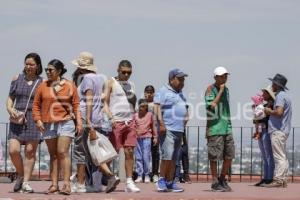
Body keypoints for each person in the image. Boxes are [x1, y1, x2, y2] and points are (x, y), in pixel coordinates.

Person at [71, 52, 119, 193]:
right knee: (93, 151)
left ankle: (81, 184)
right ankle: (107, 177)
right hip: (96, 118)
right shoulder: (99, 78)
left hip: (87, 117)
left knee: (80, 151)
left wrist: (87, 120)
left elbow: (89, 99)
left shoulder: (86, 79)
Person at [32, 59, 83, 195]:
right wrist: (38, 120)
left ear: (59, 71)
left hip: (65, 122)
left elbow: (76, 105)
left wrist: (79, 122)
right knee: (53, 155)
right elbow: (36, 105)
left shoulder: (69, 85)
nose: (47, 72)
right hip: (48, 123)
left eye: (51, 70)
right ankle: (54, 184)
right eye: (46, 70)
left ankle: (66, 184)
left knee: (62, 152)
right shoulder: (43, 86)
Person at [6, 53, 43, 193]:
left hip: (34, 118)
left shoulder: (42, 82)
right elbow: (10, 98)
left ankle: (26, 182)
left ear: (37, 66)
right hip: (18, 117)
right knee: (13, 150)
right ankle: (21, 175)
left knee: (30, 151)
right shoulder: (17, 78)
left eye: (31, 64)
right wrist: (10, 109)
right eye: (26, 63)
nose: (28, 66)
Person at [103, 60, 140, 192]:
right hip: (116, 122)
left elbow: (133, 106)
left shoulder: (131, 85)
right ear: (118, 70)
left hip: (129, 121)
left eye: (129, 72)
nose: (126, 75)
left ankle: (129, 181)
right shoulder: (111, 82)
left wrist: (135, 122)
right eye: (123, 72)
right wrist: (110, 118)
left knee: (130, 152)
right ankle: (101, 177)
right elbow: (105, 103)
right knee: (111, 153)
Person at [154, 68, 188, 193]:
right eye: (180, 79)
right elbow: (157, 107)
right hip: (168, 128)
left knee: (174, 158)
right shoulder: (163, 91)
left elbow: (184, 106)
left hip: (179, 129)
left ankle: (170, 181)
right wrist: (161, 124)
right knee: (167, 156)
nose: (182, 82)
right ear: (172, 79)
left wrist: (186, 116)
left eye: (183, 79)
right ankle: (161, 180)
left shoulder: (180, 93)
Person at [205, 66, 234, 192]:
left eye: (226, 76)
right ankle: (215, 180)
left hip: (227, 127)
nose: (224, 78)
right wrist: (220, 91)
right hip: (215, 128)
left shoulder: (226, 89)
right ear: (215, 77)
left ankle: (222, 178)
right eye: (222, 76)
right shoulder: (210, 89)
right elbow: (211, 106)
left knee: (229, 155)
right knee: (214, 156)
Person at [264, 74, 292, 188]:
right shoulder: (286, 96)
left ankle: (279, 180)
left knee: (279, 156)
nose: (272, 85)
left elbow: (279, 113)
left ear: (276, 84)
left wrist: (268, 111)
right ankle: (283, 179)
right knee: (282, 156)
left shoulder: (280, 96)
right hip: (284, 130)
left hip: (277, 130)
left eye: (273, 83)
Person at [252, 86, 275, 186]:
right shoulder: (264, 105)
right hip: (262, 130)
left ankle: (269, 178)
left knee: (268, 155)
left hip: (266, 130)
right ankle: (266, 177)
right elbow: (255, 118)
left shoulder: (271, 105)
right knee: (265, 156)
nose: (262, 95)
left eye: (264, 93)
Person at [134, 99, 158, 183]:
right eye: (140, 106)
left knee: (146, 156)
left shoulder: (150, 115)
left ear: (146, 107)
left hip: (147, 137)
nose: (142, 108)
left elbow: (153, 126)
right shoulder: (135, 115)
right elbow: (133, 126)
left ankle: (147, 174)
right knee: (138, 157)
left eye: (144, 106)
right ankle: (140, 175)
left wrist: (155, 137)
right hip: (137, 138)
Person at [144, 85, 159, 183]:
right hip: (144, 132)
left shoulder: (155, 104)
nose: (149, 94)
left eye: (151, 92)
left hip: (154, 131)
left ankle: (155, 173)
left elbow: (157, 118)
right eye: (147, 92)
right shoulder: (141, 103)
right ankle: (145, 173)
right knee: (144, 154)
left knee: (155, 153)